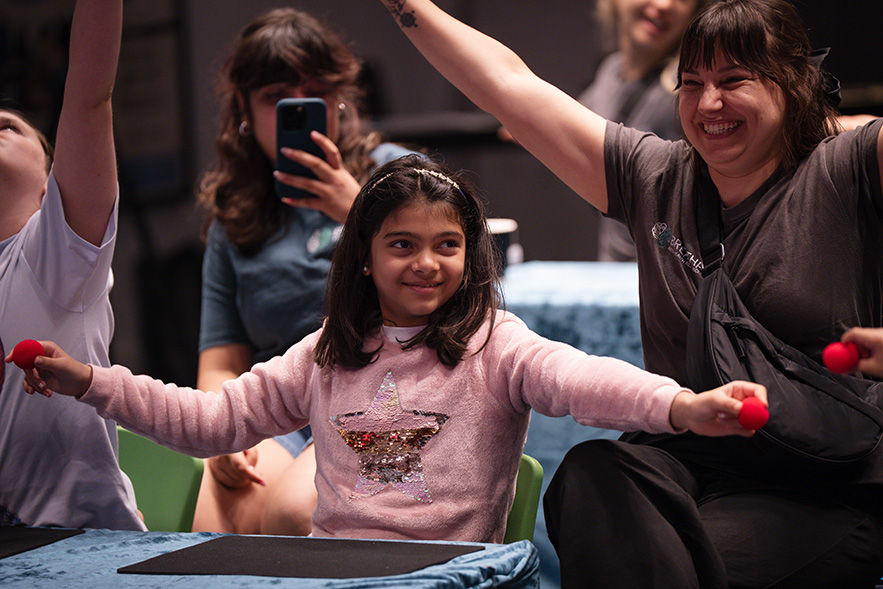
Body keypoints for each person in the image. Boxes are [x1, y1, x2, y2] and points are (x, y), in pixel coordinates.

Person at [375, 0, 883, 586]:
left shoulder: (847, 169)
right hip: (687, 459)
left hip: (817, 485)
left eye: (734, 80)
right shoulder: (656, 178)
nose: (709, 103)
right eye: (691, 84)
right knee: (596, 471)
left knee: (679, 562)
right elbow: (505, 84)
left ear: (793, 83)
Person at [14, 155, 764, 544]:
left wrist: (682, 405)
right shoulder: (326, 353)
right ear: (363, 258)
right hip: (330, 576)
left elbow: (582, 379)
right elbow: (209, 420)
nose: (426, 263)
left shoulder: (496, 344)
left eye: (447, 246)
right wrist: (91, 381)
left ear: (470, 256)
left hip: (445, 577)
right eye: (402, 244)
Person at [193, 7, 417, 536]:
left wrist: (358, 209)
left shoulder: (396, 175)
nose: (296, 107)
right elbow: (220, 361)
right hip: (288, 411)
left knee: (293, 511)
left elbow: (456, 290)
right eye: (275, 97)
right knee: (216, 507)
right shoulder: (235, 219)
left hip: (392, 398)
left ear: (338, 101)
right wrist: (226, 431)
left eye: (313, 92)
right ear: (243, 111)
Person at [0, 0, 144, 530]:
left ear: (49, 188)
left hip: (79, 551)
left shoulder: (52, 253)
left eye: (8, 126)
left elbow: (88, 99)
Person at [579, 0, 710, 261]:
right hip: (612, 280)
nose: (663, 5)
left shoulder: (688, 90)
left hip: (666, 283)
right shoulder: (611, 72)